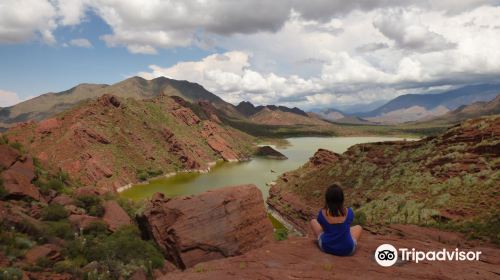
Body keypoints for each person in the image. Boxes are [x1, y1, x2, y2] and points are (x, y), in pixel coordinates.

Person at [310, 183, 362, 256]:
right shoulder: (349, 212)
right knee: (358, 227)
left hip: (326, 247)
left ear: (327, 199)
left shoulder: (322, 213)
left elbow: (322, 227)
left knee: (313, 221)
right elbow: (349, 222)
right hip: (348, 250)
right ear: (342, 198)